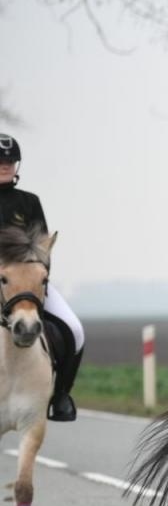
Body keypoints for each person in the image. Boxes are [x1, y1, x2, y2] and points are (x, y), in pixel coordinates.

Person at [0, 134, 84, 421]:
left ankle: (60, 396)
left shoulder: (29, 202)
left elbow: (43, 247)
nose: (5, 165)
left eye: (10, 161)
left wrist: (38, 283)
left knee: (75, 330)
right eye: (0, 161)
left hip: (29, 287)